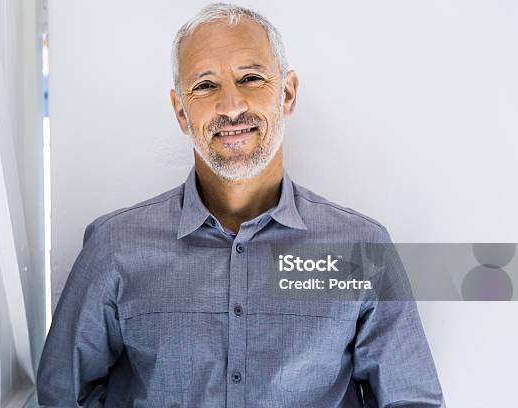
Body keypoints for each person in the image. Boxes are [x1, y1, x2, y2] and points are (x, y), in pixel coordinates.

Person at [36, 3, 445, 407]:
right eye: (205, 85)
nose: (231, 106)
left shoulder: (360, 250)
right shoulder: (115, 247)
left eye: (250, 78)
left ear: (286, 93)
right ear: (181, 110)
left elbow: (412, 400)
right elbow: (63, 396)